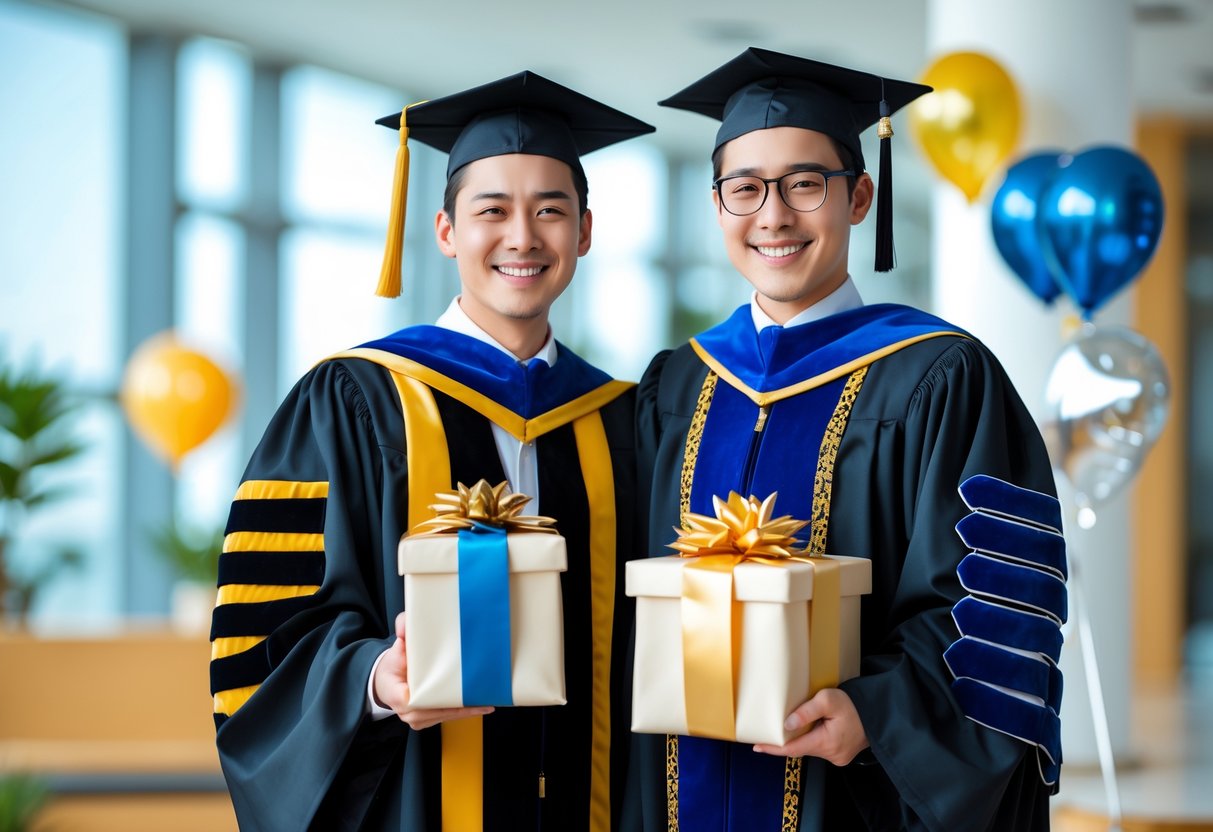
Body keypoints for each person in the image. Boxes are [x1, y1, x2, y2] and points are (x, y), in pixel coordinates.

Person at [627, 48, 1066, 831]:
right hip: (676, 783)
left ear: (858, 196)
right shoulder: (677, 385)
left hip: (856, 795)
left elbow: (995, 605)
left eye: (804, 183)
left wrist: (877, 714)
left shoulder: (939, 377)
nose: (773, 216)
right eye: (745, 188)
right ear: (717, 204)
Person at [209, 70, 653, 831]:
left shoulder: (619, 418)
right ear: (446, 232)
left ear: (583, 232)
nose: (522, 236)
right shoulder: (353, 399)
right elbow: (260, 636)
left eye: (550, 210)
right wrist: (378, 679)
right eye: (492, 211)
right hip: (415, 800)